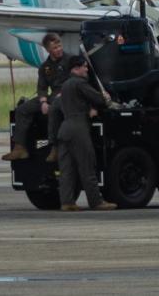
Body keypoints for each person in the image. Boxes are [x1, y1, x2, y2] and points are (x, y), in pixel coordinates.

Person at [56, 56, 117, 211]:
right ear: (75, 69)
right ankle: (96, 201)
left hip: (64, 129)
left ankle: (67, 202)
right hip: (78, 129)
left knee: (67, 170)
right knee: (87, 166)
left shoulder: (65, 86)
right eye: (84, 66)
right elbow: (100, 100)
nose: (86, 69)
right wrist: (105, 98)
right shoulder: (80, 83)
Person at [2, 33, 70, 162]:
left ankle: (55, 147)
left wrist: (64, 92)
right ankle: (20, 148)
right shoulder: (45, 67)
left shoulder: (70, 61)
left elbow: (78, 79)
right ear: (48, 50)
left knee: (54, 109)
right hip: (52, 96)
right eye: (55, 48)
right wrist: (43, 101)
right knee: (22, 109)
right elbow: (42, 87)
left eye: (59, 46)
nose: (59, 49)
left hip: (67, 95)